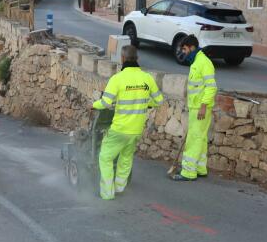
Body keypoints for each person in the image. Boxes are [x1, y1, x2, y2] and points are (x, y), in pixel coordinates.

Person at [89, 45, 164, 199]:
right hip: (136, 130)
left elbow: (105, 103)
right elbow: (159, 101)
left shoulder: (117, 79)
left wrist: (93, 105)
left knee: (105, 157)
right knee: (126, 157)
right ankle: (120, 187)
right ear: (137, 59)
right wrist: (146, 103)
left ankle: (107, 193)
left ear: (122, 59)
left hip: (119, 129)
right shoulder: (147, 78)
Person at [172, 35, 217, 181]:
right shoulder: (197, 62)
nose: (183, 52)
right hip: (196, 107)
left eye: (185, 49)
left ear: (192, 47)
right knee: (201, 138)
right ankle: (200, 168)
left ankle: (188, 172)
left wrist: (203, 106)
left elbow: (211, 88)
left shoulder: (204, 63)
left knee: (194, 138)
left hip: (200, 108)